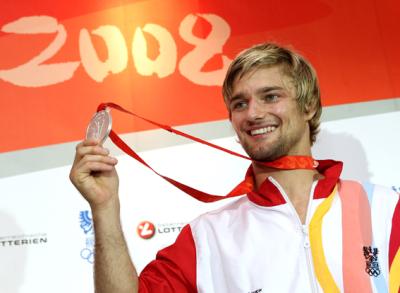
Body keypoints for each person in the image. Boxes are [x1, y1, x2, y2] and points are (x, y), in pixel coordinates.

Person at [70, 43, 400, 292]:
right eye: (239, 104)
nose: (253, 113)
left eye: (271, 97)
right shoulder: (208, 236)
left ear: (309, 105)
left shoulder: (385, 210)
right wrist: (104, 208)